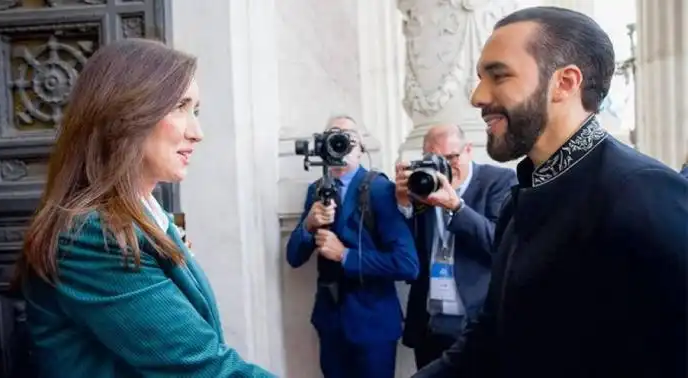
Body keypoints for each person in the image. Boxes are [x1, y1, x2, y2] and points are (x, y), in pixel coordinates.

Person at [414, 6, 687, 378]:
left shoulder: (641, 192)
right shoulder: (521, 199)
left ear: (565, 82)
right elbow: (489, 340)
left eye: (499, 76)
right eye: (481, 78)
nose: (478, 96)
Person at [14, 39, 275, 378]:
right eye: (180, 106)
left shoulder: (145, 216)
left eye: (195, 110)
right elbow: (204, 368)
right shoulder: (93, 236)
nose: (197, 133)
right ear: (126, 114)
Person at [286, 115, 419, 378]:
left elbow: (407, 264)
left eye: (347, 139)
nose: (340, 144)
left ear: (361, 149)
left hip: (373, 326)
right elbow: (294, 257)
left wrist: (345, 255)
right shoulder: (316, 191)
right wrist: (308, 226)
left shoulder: (381, 189)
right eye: (333, 138)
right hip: (330, 322)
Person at [396, 124, 516, 369]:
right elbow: (406, 249)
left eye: (451, 158)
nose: (444, 167)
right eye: (434, 160)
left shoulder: (499, 182)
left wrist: (456, 206)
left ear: (468, 150)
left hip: (476, 324)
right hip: (431, 325)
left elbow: (499, 244)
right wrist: (403, 205)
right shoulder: (422, 184)